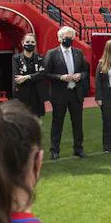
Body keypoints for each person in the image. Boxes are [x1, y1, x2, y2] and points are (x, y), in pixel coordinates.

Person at [44, 26, 88, 159]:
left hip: (75, 93)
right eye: (66, 37)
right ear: (59, 38)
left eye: (71, 37)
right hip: (59, 94)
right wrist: (61, 77)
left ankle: (78, 149)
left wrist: (80, 75)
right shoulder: (52, 53)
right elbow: (45, 73)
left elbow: (85, 70)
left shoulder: (78, 52)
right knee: (57, 123)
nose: (68, 40)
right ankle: (55, 150)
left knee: (78, 123)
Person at [11, 33, 47, 117]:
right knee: (23, 121)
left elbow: (42, 74)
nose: (30, 44)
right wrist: (35, 76)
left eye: (32, 42)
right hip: (22, 95)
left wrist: (27, 77)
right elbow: (17, 78)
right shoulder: (16, 58)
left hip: (37, 95)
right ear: (22, 43)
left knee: (36, 122)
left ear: (35, 44)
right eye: (27, 41)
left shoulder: (40, 58)